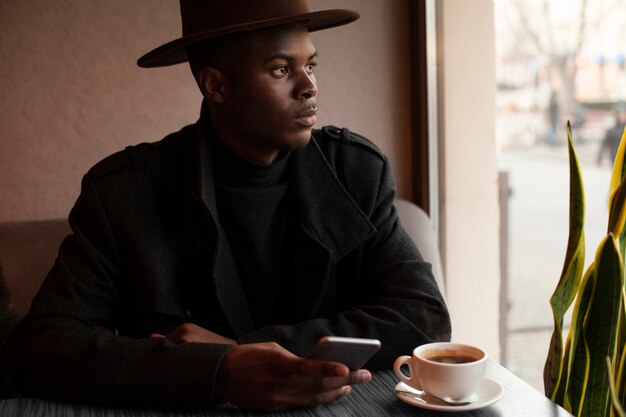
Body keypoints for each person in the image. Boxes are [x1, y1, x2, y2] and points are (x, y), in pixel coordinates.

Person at [8, 0, 451, 411]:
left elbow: (424, 317)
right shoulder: (125, 192)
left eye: (311, 64)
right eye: (281, 69)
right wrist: (214, 375)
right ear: (216, 85)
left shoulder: (356, 172)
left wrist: (235, 353)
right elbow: (41, 347)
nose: (309, 86)